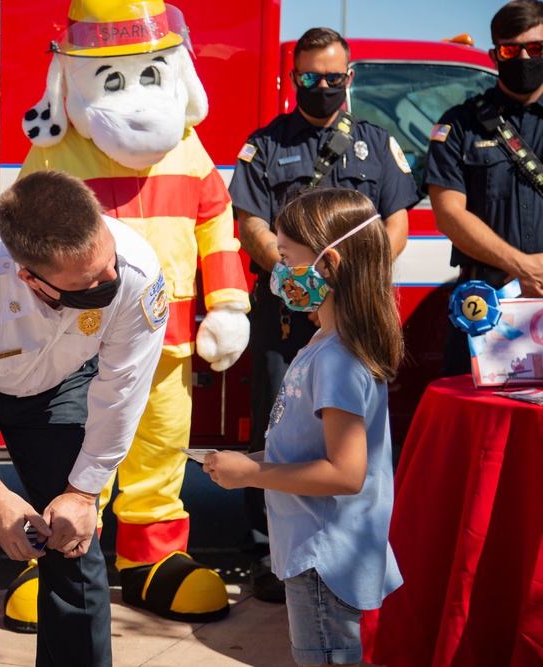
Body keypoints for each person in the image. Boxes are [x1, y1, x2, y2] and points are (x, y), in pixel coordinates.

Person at [11, 0, 248, 628]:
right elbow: (23, 236)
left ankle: (153, 558)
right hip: (78, 343)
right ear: (73, 82)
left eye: (149, 75)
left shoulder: (191, 152)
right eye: (113, 77)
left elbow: (216, 229)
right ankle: (57, 556)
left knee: (158, 447)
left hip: (167, 342)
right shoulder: (57, 157)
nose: (138, 97)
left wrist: (228, 305)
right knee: (73, 447)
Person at [0, 169, 167, 667]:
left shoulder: (137, 271)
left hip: (60, 384)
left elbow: (122, 393)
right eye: (87, 283)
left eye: (106, 262)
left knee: (74, 538)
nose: (108, 279)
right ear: (30, 277)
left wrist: (85, 492)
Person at [228, 26, 417, 602]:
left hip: (351, 313)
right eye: (310, 78)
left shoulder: (376, 144)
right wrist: (289, 277)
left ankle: (350, 545)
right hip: (286, 318)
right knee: (279, 420)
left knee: (349, 432)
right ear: (294, 80)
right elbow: (252, 223)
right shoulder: (264, 145)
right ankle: (270, 551)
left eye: (333, 78)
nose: (323, 87)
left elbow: (397, 225)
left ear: (349, 78)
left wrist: (346, 274)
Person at [203, 187, 404, 667]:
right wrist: (248, 463)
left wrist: (253, 475)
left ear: (329, 264)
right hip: (316, 551)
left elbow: (345, 473)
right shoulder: (324, 340)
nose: (279, 269)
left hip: (323, 560)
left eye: (287, 255)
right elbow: (307, 447)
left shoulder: (337, 359)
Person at [426, 0, 543, 376]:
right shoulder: (459, 126)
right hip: (486, 302)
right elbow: (448, 213)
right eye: (511, 49)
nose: (524, 58)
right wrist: (523, 266)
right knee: (478, 421)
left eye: (536, 48)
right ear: (495, 55)